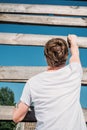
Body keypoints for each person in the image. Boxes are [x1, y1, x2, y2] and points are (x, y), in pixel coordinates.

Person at [13, 35, 87, 130]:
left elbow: (17, 117)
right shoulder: (74, 72)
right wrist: (73, 40)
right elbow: (75, 53)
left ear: (46, 57)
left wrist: (14, 110)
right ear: (66, 55)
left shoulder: (33, 83)